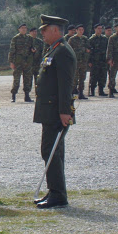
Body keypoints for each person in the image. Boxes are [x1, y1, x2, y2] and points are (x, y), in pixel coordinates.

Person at [33, 15, 75, 209]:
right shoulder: (53, 50)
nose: (42, 33)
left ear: (55, 30)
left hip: (56, 111)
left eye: (45, 29)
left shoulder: (63, 52)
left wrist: (65, 111)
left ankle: (57, 194)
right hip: (49, 111)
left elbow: (65, 85)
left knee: (50, 151)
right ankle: (55, 190)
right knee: (52, 151)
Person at [8, 23, 34, 102]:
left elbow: (32, 47)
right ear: (19, 29)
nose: (24, 29)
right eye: (22, 28)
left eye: (25, 28)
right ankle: (13, 96)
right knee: (16, 79)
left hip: (27, 62)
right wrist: (11, 62)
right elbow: (12, 50)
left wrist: (33, 50)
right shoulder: (15, 38)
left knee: (28, 79)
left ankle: (27, 96)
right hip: (18, 62)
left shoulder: (30, 38)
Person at [67, 24, 91, 99]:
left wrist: (87, 51)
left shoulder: (85, 39)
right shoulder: (72, 39)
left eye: (82, 30)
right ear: (76, 30)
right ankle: (72, 92)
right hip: (75, 62)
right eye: (79, 30)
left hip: (83, 62)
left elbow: (88, 48)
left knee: (82, 78)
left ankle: (81, 92)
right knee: (74, 78)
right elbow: (69, 50)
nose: (81, 31)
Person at [88, 23, 109, 96]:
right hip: (95, 61)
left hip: (103, 61)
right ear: (95, 29)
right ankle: (92, 91)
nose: (100, 30)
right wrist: (89, 61)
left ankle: (101, 90)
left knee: (103, 76)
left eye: (101, 28)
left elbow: (108, 50)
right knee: (94, 76)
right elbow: (89, 51)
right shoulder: (91, 39)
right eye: (98, 28)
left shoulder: (105, 39)